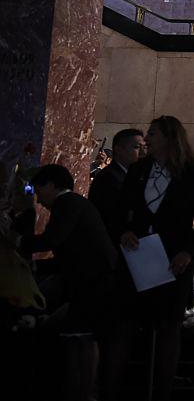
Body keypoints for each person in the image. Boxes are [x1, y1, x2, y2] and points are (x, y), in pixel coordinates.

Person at [104, 116, 194, 401]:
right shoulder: (138, 170)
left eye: (152, 134)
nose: (147, 139)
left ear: (168, 137)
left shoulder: (193, 174)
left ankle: (162, 391)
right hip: (138, 256)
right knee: (124, 326)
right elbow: (118, 211)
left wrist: (189, 251)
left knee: (167, 329)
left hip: (173, 260)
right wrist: (124, 231)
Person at [17, 164, 117, 400]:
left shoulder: (67, 204)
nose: (39, 200)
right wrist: (35, 266)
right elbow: (69, 253)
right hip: (92, 282)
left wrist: (18, 241)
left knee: (79, 337)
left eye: (39, 191)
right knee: (81, 337)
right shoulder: (73, 204)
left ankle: (81, 390)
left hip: (93, 284)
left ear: (52, 185)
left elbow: (54, 239)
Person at [89, 128, 145, 245]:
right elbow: (104, 217)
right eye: (136, 147)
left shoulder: (136, 176)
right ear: (119, 149)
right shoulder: (107, 178)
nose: (143, 153)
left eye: (144, 148)